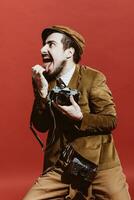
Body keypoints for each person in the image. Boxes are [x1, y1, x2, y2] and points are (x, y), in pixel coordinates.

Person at [23, 25, 131, 200]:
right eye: (44, 44)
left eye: (51, 45)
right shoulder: (44, 81)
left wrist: (80, 117)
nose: (42, 49)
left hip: (100, 167)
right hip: (61, 167)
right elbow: (40, 126)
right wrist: (41, 93)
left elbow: (110, 120)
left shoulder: (93, 78)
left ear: (69, 52)